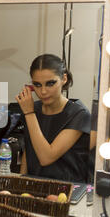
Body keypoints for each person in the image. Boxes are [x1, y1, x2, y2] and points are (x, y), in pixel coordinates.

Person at [16, 54, 91, 183]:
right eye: (37, 85)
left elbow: (46, 157)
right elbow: (29, 152)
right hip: (35, 186)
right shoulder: (33, 110)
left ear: (64, 79)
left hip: (68, 190)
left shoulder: (79, 115)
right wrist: (21, 182)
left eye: (50, 83)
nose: (43, 91)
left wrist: (29, 113)